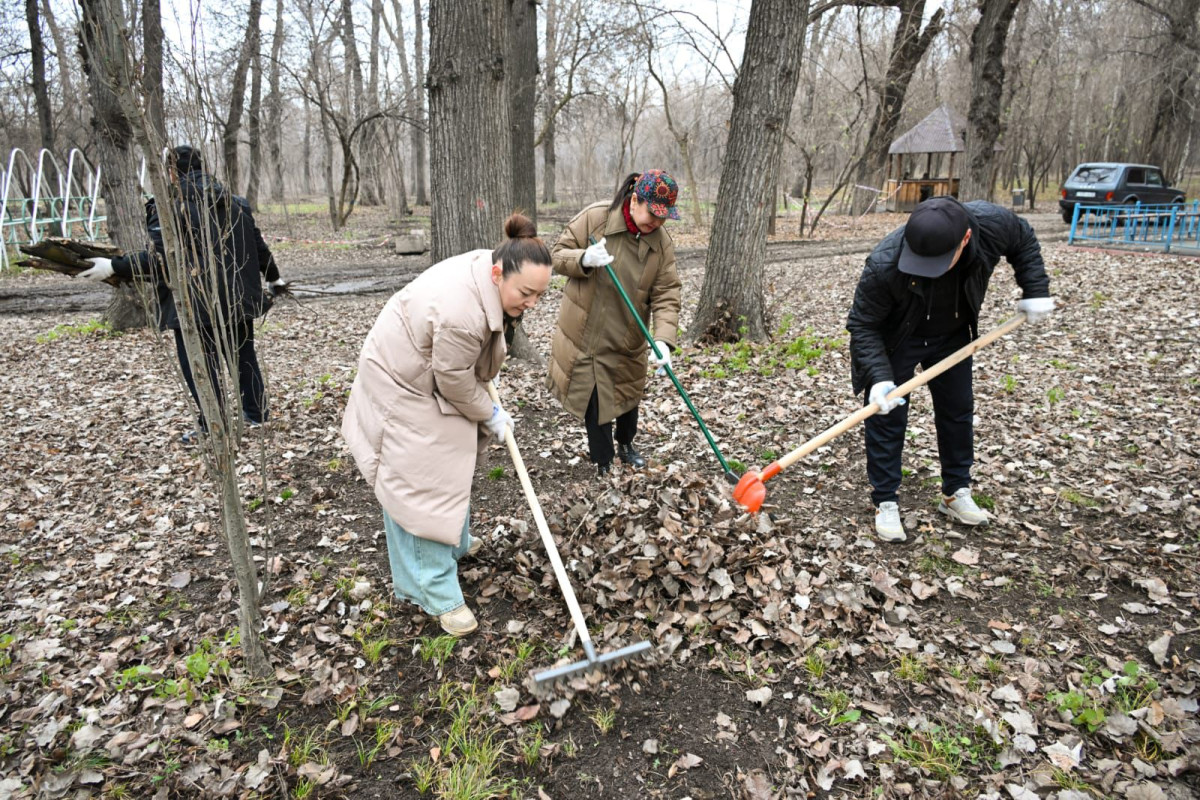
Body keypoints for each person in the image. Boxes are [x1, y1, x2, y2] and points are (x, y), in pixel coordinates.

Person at [341, 214, 553, 636]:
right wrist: (490, 414)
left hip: (427, 372)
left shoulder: (489, 273)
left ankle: (452, 541)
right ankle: (430, 588)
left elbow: (459, 368)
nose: (531, 303)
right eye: (525, 293)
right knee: (422, 485)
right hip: (402, 385)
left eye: (539, 295)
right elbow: (453, 381)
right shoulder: (461, 313)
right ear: (499, 273)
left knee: (451, 464)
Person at [846, 196, 1055, 543]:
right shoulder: (885, 262)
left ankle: (955, 492)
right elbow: (863, 324)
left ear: (966, 239)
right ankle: (885, 500)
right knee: (886, 415)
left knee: (957, 410)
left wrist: (1035, 289)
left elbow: (1023, 238)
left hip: (954, 333)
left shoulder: (991, 226)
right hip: (900, 337)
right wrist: (878, 378)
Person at [77, 145, 285, 443]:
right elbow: (260, 248)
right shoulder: (236, 203)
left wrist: (114, 266)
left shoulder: (169, 209)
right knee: (243, 356)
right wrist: (275, 279)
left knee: (201, 364)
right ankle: (257, 417)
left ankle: (215, 427)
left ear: (172, 172)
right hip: (237, 300)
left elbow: (161, 261)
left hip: (193, 303)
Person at [547, 170, 683, 477]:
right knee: (596, 405)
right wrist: (583, 259)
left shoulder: (660, 244)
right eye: (653, 214)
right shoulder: (596, 218)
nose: (657, 224)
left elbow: (667, 292)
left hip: (628, 336)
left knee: (626, 397)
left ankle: (626, 445)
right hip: (587, 334)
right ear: (635, 200)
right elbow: (556, 255)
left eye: (664, 218)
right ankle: (603, 462)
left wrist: (662, 339)